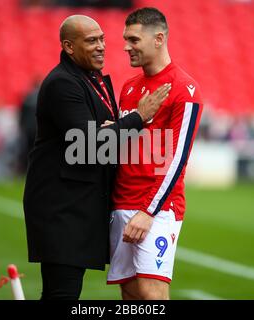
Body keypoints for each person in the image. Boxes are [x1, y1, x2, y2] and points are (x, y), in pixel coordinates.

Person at [23, 14, 171, 300]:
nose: (102, 46)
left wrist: (109, 132)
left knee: (61, 293)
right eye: (91, 41)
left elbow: (101, 142)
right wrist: (139, 117)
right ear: (68, 46)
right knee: (62, 294)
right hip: (61, 209)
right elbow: (89, 147)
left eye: (102, 38)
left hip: (77, 207)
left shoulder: (87, 79)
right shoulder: (62, 84)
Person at [107, 8, 203, 300]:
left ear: (159, 38)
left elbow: (177, 159)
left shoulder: (184, 90)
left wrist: (149, 212)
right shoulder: (128, 87)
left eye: (134, 40)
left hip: (157, 208)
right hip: (121, 203)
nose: (126, 46)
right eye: (126, 39)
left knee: (152, 293)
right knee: (131, 293)